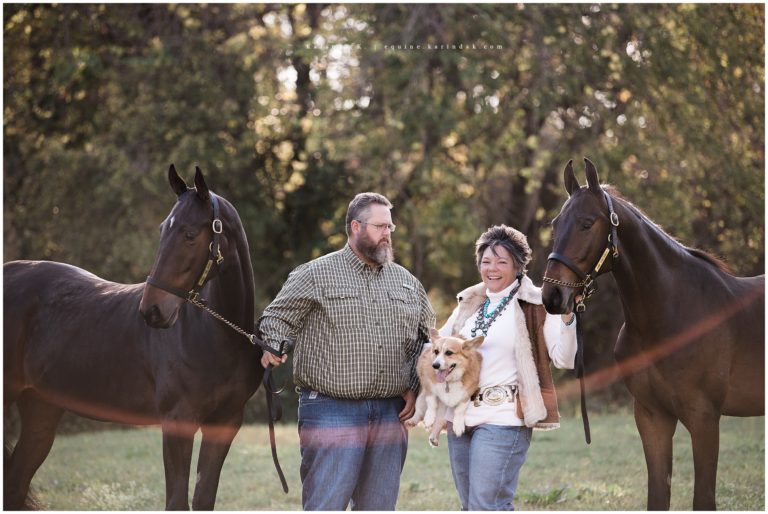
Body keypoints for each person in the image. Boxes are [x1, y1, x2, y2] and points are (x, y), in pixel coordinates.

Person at [258, 192, 436, 511]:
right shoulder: (315, 273)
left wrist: (414, 385)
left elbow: (429, 342)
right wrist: (275, 343)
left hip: (390, 414)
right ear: (355, 226)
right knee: (326, 505)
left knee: (379, 507)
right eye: (380, 226)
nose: (388, 234)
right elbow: (276, 318)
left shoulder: (407, 282)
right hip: (331, 411)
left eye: (390, 227)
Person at [436, 224, 578, 510]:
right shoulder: (469, 303)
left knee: (485, 505)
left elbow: (565, 358)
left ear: (519, 265)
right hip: (460, 418)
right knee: (470, 506)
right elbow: (436, 350)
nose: (492, 269)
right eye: (486, 261)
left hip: (505, 418)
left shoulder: (536, 303)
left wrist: (567, 318)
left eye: (502, 261)